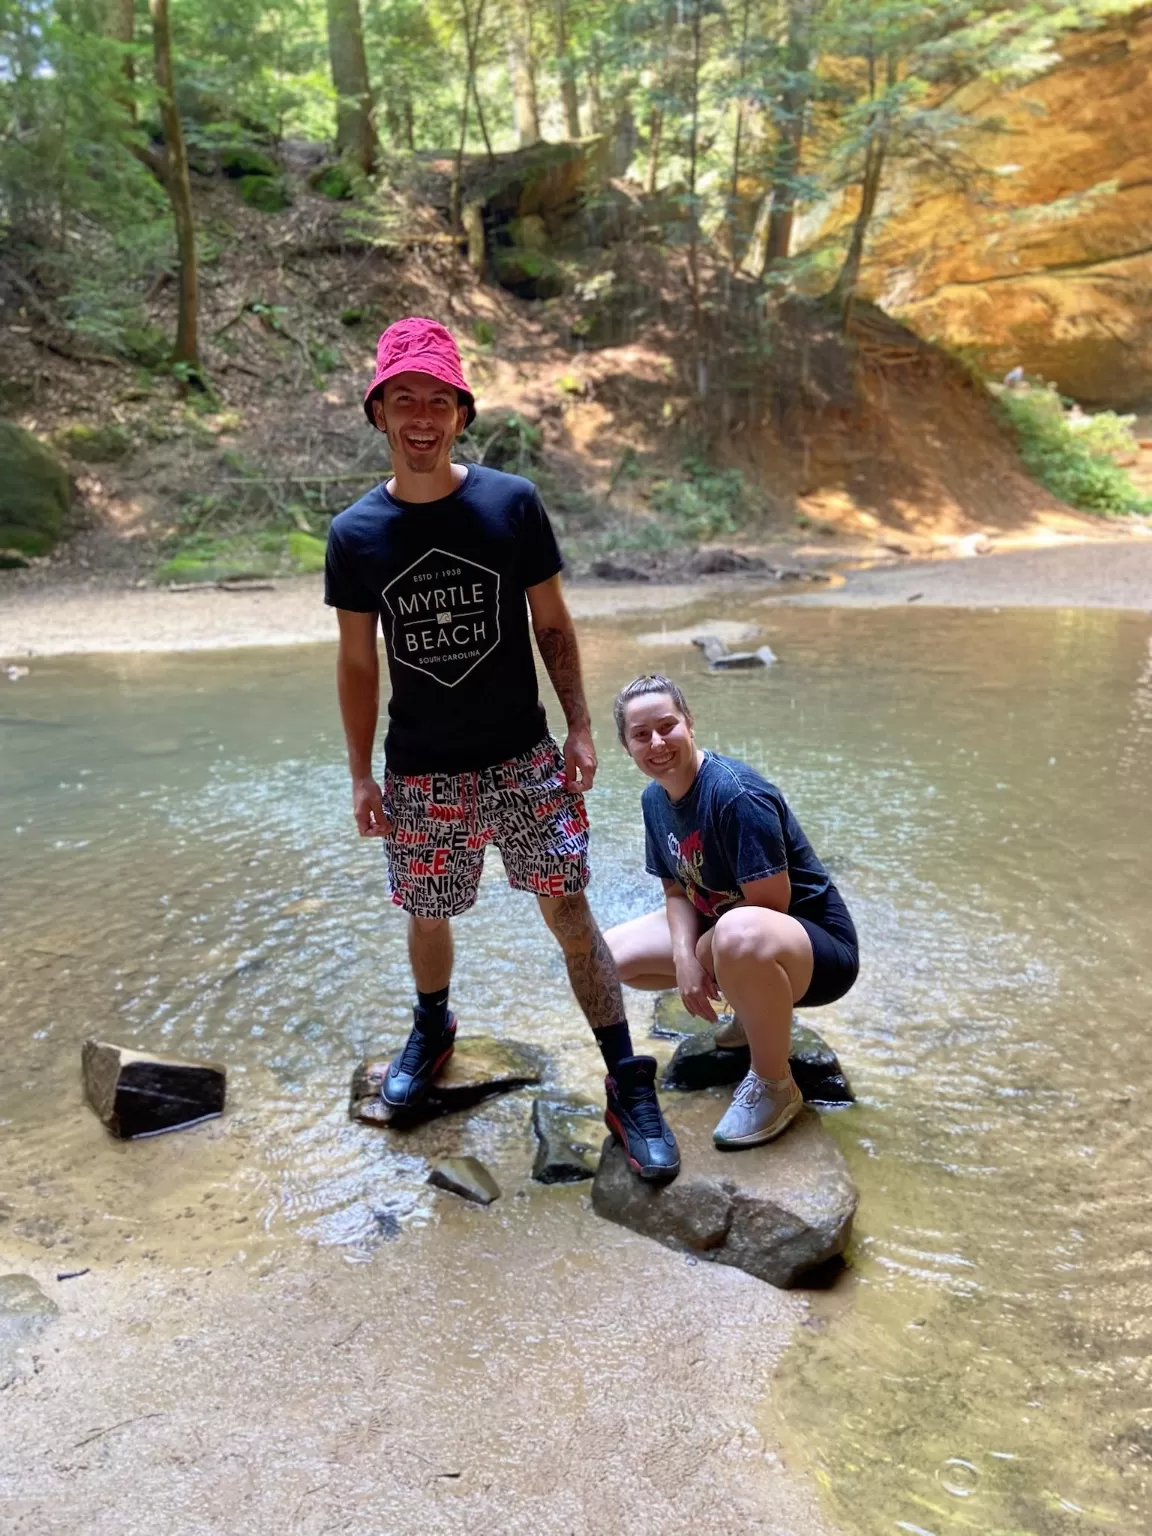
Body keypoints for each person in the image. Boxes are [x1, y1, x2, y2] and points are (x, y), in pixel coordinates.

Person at [324, 318, 679, 1183]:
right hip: (420, 769)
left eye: (436, 400)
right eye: (402, 399)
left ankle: (627, 1083)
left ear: (459, 414)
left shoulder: (510, 502)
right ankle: (434, 1023)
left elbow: (550, 622)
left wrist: (584, 725)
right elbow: (356, 659)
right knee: (428, 908)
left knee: (570, 911)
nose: (420, 415)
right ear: (378, 413)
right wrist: (361, 773)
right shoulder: (355, 533)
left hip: (525, 758)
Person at [604, 674, 859, 1149]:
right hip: (735, 933)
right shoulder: (654, 800)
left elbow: (770, 906)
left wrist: (702, 951)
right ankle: (753, 1012)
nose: (657, 743)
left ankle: (774, 1085)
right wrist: (684, 956)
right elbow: (676, 891)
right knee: (612, 956)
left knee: (735, 936)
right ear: (627, 746)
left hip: (815, 949)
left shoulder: (736, 794)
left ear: (690, 723)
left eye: (667, 726)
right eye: (641, 735)